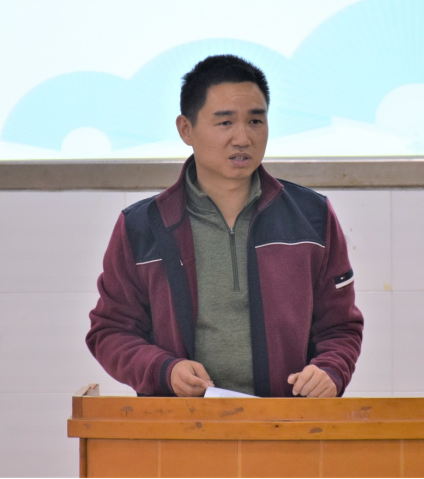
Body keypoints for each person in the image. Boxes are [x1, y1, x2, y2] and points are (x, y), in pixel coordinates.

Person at [87, 54, 363, 398]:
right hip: (180, 423)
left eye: (255, 121)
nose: (242, 138)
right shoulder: (142, 226)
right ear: (186, 129)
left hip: (286, 420)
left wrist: (330, 370)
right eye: (225, 122)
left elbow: (340, 326)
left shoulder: (312, 216)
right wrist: (163, 371)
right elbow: (111, 332)